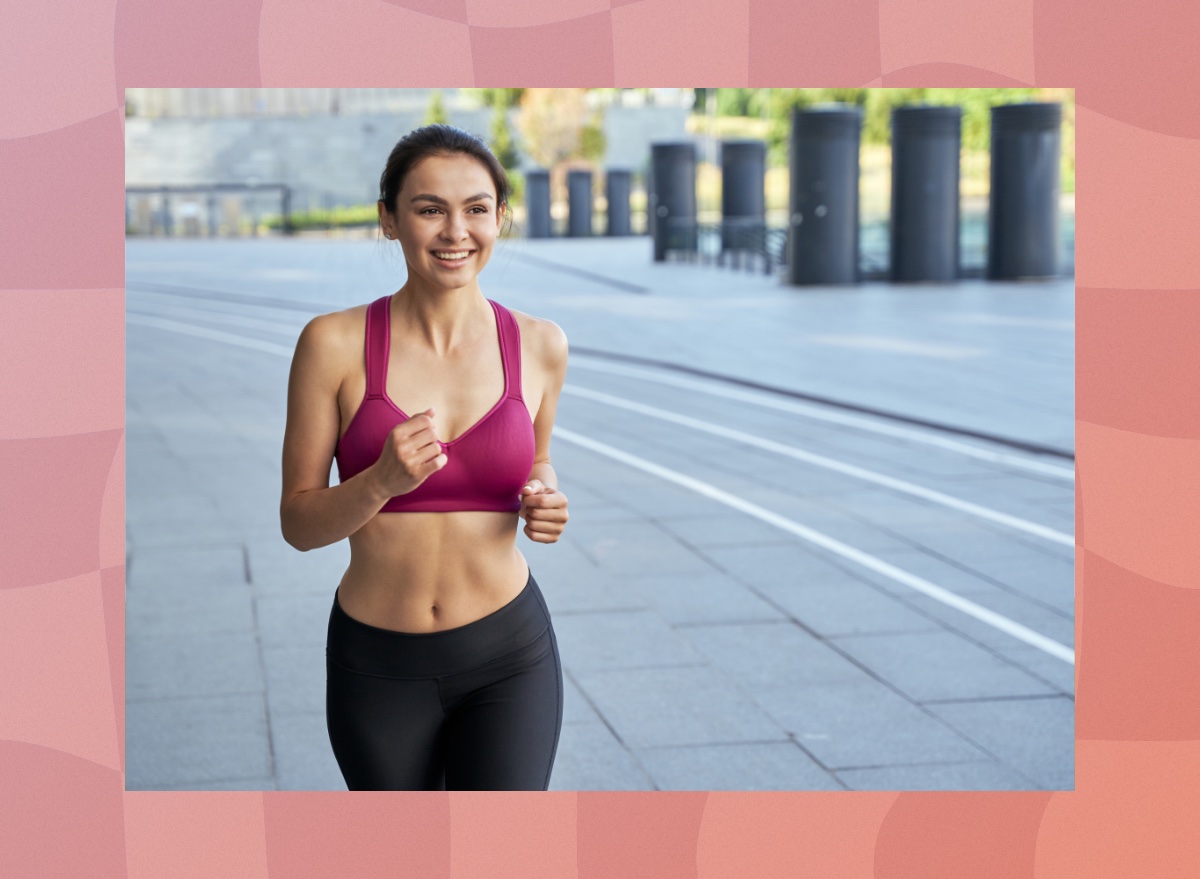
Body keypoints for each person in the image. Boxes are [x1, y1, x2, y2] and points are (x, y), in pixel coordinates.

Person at [279, 124, 570, 791]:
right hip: (378, 662)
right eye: (429, 208)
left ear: (501, 217)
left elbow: (540, 459)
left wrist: (544, 496)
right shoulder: (332, 344)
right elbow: (298, 524)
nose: (455, 231)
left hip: (509, 652)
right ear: (389, 219)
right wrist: (380, 480)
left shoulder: (541, 345)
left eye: (476, 208)